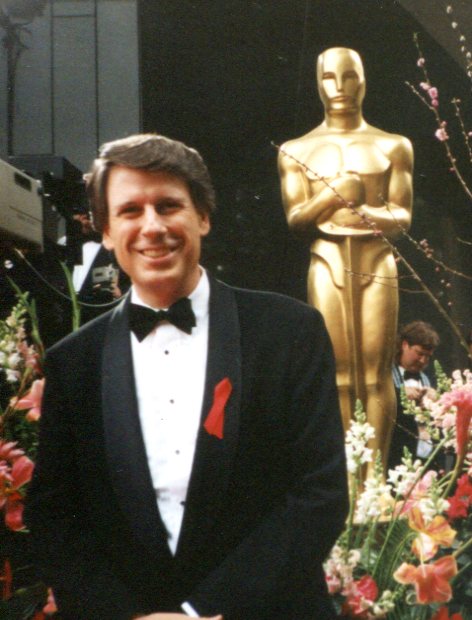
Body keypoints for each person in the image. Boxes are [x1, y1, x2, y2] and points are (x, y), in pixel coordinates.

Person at [25, 133, 348, 620]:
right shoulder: (73, 362)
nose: (152, 226)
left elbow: (319, 492)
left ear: (203, 217)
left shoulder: (290, 332)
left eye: (168, 205)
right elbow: (54, 516)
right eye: (130, 211)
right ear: (106, 232)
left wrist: (204, 613)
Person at [278, 47, 413, 472]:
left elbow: (402, 216)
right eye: (329, 78)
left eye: (349, 76)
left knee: (375, 373)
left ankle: (376, 484)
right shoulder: (296, 150)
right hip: (328, 260)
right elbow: (297, 219)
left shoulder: (392, 145)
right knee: (337, 374)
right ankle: (348, 483)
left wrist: (364, 211)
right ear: (318, 83)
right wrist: (332, 196)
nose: (340, 88)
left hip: (376, 260)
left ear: (364, 80)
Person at [388, 320, 440, 470]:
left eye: (428, 356)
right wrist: (398, 393)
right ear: (405, 345)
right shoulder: (386, 375)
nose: (423, 360)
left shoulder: (427, 378)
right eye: (420, 353)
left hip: (424, 459)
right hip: (395, 457)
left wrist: (436, 401)